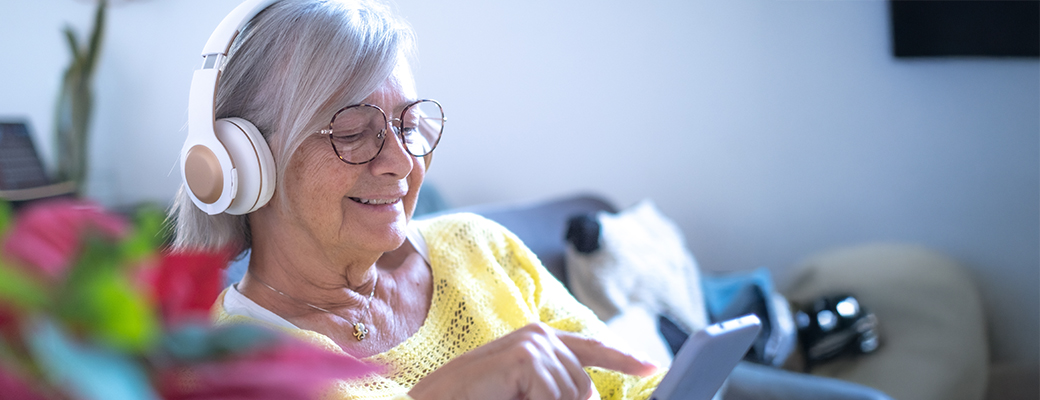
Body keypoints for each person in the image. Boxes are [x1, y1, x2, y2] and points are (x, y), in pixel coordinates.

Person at [171, 1, 662, 399]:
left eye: (407, 126)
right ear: (244, 161)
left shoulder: (481, 249)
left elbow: (639, 387)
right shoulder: (231, 367)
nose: (402, 163)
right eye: (354, 131)